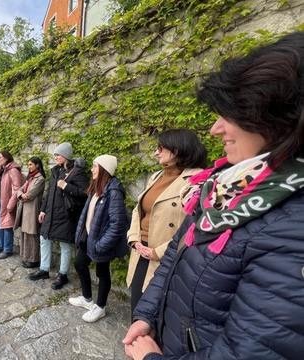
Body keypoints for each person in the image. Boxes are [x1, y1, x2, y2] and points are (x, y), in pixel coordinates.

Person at [123, 32, 304, 360]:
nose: (215, 129)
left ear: (277, 121)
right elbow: (180, 249)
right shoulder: (223, 186)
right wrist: (146, 313)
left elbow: (252, 350)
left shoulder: (293, 227)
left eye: (231, 117)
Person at [126, 129, 207, 313]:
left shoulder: (197, 181)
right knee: (137, 306)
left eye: (161, 148)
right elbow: (138, 210)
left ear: (177, 149)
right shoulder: (156, 176)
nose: (156, 152)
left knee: (157, 312)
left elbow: (194, 226)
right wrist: (134, 238)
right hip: (141, 251)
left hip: (167, 257)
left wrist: (159, 252)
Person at [69, 155, 130, 322]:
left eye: (95, 166)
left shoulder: (114, 191)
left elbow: (117, 224)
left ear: (104, 169)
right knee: (80, 263)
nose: (91, 169)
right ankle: (87, 299)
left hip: (100, 241)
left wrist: (102, 245)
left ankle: (100, 307)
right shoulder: (97, 187)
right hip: (89, 237)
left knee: (102, 272)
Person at [29, 142, 89, 290]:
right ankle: (44, 269)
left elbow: (84, 193)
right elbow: (49, 193)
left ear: (66, 156)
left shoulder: (77, 172)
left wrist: (66, 186)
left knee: (65, 245)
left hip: (66, 215)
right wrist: (43, 210)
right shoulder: (55, 171)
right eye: (55, 155)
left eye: (58, 155)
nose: (55, 157)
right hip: (51, 213)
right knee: (44, 239)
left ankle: (63, 275)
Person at [0, 151, 23, 259]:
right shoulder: (3, 170)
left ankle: (8, 249)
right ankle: (0, 246)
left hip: (7, 202)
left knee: (7, 226)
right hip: (0, 200)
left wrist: (11, 203)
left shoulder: (13, 170)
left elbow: (17, 188)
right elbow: (1, 184)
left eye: (0, 158)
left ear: (7, 158)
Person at [14, 156, 46, 268]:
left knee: (32, 235)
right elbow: (19, 190)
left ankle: (34, 260)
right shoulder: (30, 178)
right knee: (25, 234)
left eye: (31, 164)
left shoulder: (40, 179)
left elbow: (30, 195)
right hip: (24, 210)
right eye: (28, 164)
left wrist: (22, 195)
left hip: (32, 210)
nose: (29, 167)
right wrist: (21, 194)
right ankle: (26, 257)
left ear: (37, 165)